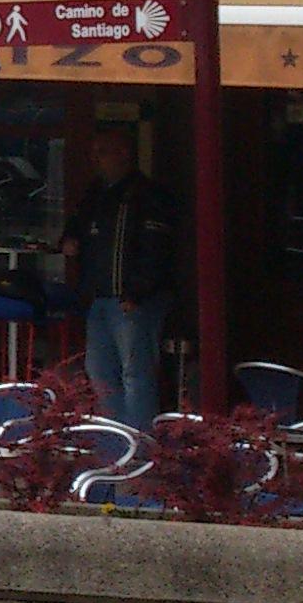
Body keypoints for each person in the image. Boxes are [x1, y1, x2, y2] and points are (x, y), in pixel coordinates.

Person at [63, 127, 181, 428]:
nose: (95, 160)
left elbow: (157, 249)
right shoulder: (97, 193)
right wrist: (70, 238)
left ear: (124, 154)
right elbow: (77, 224)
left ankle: (138, 445)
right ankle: (113, 442)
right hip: (100, 297)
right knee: (100, 372)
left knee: (135, 372)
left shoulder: (145, 195)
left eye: (102, 152)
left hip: (133, 300)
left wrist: (137, 293)